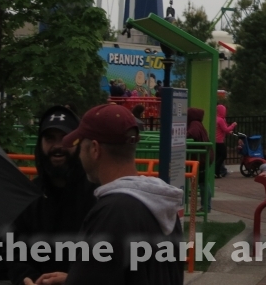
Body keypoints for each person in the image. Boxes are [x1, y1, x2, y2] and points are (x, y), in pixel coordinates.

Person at [29, 103, 183, 285]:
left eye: (81, 145)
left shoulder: (112, 213)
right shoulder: (161, 203)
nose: (79, 155)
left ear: (94, 149)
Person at [8, 106, 98, 285]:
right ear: (40, 144)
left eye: (66, 139)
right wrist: (28, 280)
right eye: (50, 138)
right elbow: (14, 254)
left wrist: (74, 280)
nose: (58, 146)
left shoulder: (98, 197)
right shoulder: (27, 197)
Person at [186, 108, 214, 211]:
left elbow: (192, 134)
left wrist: (182, 136)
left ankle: (206, 206)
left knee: (202, 182)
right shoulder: (197, 124)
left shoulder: (194, 124)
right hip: (203, 157)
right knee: (203, 181)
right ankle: (206, 206)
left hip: (201, 158)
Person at [215, 104, 236, 179]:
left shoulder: (216, 118)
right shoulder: (220, 120)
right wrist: (233, 125)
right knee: (223, 155)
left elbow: (223, 129)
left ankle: (217, 172)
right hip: (219, 141)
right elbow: (226, 129)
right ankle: (216, 171)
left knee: (218, 156)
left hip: (215, 141)